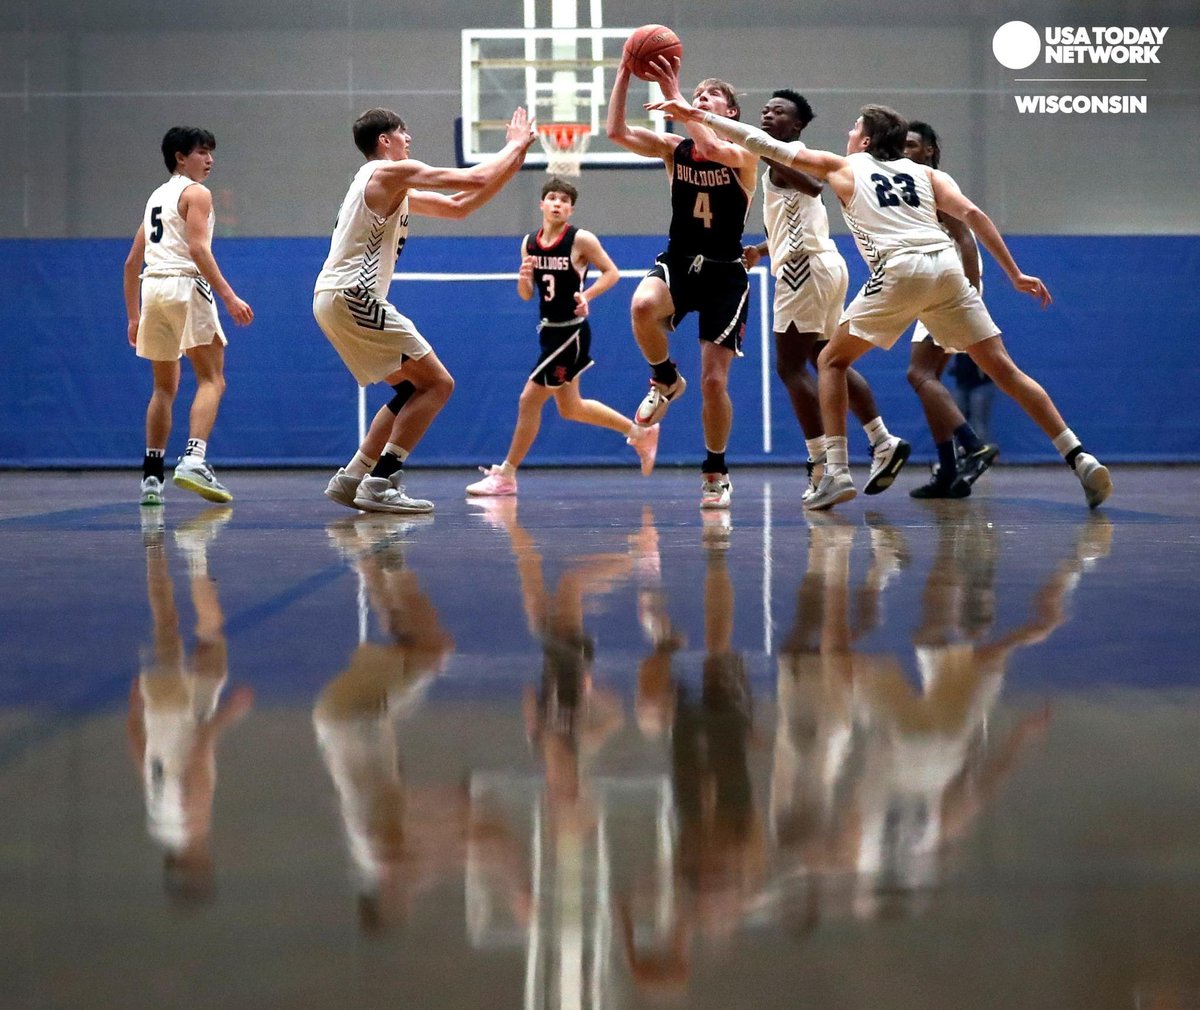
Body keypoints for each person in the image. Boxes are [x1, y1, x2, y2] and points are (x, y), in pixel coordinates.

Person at [649, 99, 1113, 511]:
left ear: (866, 139)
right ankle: (1079, 456)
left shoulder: (846, 167)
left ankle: (834, 473)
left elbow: (759, 141)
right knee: (1005, 371)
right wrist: (1014, 274)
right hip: (946, 269)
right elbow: (973, 217)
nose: (848, 133)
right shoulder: (929, 174)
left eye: (854, 128)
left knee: (829, 360)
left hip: (900, 269)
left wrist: (696, 115)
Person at [316, 106, 536, 514]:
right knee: (439, 384)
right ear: (385, 140)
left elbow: (459, 206)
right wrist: (513, 145)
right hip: (354, 295)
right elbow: (474, 177)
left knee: (412, 387)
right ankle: (381, 480)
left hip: (335, 298)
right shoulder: (387, 172)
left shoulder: (388, 185)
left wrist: (513, 161)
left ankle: (353, 476)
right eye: (404, 133)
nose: (409, 139)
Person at [606, 55, 758, 509]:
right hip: (680, 258)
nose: (699, 99)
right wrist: (623, 74)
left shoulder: (746, 152)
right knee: (640, 306)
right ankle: (666, 379)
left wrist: (677, 97)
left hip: (726, 272)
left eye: (711, 96)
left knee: (714, 382)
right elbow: (616, 133)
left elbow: (712, 149)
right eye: (697, 95)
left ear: (730, 112)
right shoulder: (675, 149)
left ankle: (715, 469)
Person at [744, 90, 909, 500]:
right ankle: (882, 440)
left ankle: (823, 466)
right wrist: (763, 250)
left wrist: (760, 149)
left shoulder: (789, 156)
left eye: (778, 111)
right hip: (823, 266)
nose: (767, 113)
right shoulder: (786, 160)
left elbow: (815, 188)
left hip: (804, 270)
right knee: (829, 360)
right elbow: (797, 214)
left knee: (790, 367)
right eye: (765, 109)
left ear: (796, 125)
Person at [466, 178, 659, 496]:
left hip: (571, 332)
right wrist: (524, 279)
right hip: (549, 330)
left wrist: (588, 295)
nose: (558, 203)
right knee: (571, 407)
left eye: (565, 200)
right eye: (552, 198)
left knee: (528, 400)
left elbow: (612, 272)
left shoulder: (580, 239)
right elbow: (527, 294)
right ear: (542, 204)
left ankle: (507, 475)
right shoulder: (529, 242)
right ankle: (640, 432)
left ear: (571, 209)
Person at [124, 126, 254, 507]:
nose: (210, 159)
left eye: (211, 152)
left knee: (164, 388)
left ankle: (151, 477)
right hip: (184, 284)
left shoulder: (155, 199)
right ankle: (194, 459)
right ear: (180, 157)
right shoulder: (197, 193)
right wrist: (228, 296)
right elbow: (197, 248)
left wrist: (133, 317)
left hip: (154, 288)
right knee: (212, 379)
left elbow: (132, 262)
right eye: (201, 152)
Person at [901, 121, 998, 499]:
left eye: (912, 145)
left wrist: (971, 291)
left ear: (929, 150)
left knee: (918, 373)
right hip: (934, 287)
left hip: (952, 287)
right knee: (928, 382)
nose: (905, 150)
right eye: (902, 145)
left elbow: (964, 237)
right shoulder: (904, 185)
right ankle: (949, 469)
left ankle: (972, 446)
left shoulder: (935, 182)